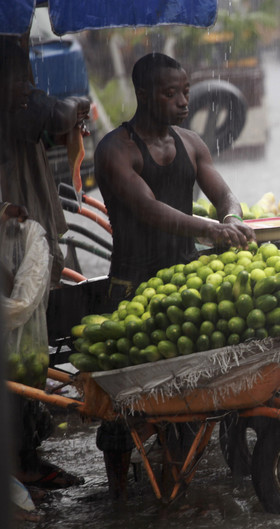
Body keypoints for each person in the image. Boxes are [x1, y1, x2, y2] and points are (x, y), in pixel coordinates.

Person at [93, 52, 255, 499]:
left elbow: (223, 192)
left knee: (194, 388)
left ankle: (183, 472)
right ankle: (120, 494)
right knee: (123, 402)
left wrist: (233, 217)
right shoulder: (115, 151)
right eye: (171, 93)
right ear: (143, 94)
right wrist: (212, 229)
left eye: (186, 91)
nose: (184, 101)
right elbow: (149, 209)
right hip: (132, 286)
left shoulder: (190, 141)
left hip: (184, 282)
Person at [0, 37, 85, 492]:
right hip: (10, 232)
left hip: (20, 228)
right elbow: (46, 114)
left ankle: (25, 452)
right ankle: (20, 459)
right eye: (18, 78)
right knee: (15, 353)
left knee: (25, 346)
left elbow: (49, 121)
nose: (25, 86)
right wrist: (67, 107)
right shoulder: (18, 105)